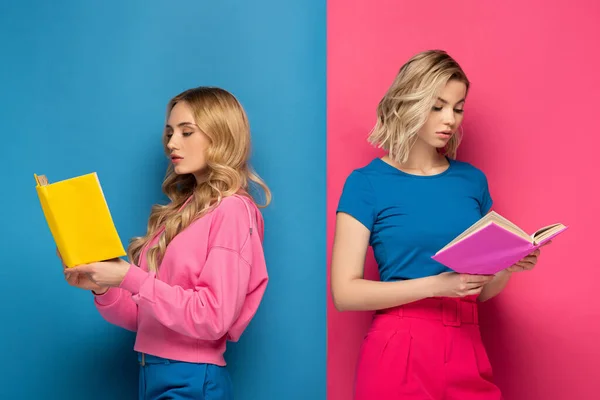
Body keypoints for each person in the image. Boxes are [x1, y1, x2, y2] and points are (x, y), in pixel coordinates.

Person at [330, 50, 550, 400]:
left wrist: (507, 266)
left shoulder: (471, 182)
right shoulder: (366, 183)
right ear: (409, 103)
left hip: (467, 345)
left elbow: (479, 291)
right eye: (437, 106)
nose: (450, 119)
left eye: (458, 108)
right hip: (400, 349)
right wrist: (438, 285)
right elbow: (345, 293)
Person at [60, 86, 271, 400]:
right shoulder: (182, 212)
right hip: (152, 374)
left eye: (187, 132)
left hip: (191, 379)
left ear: (221, 135)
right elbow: (145, 318)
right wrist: (103, 286)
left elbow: (213, 317)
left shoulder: (233, 211)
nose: (172, 143)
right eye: (170, 132)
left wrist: (128, 277)